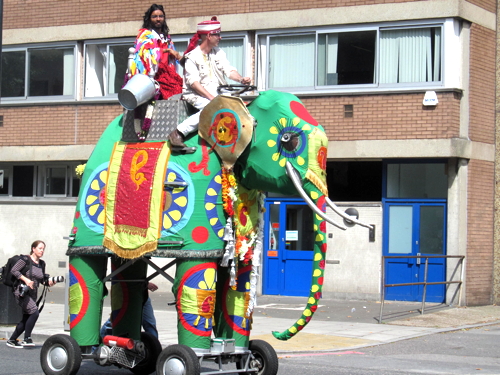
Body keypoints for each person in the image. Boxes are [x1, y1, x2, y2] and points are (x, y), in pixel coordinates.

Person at [168, 16, 251, 148]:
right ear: (208, 36)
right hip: (195, 94)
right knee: (212, 108)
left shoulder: (219, 53)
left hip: (217, 93)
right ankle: (178, 133)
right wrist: (212, 99)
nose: (220, 37)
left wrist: (241, 79)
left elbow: (229, 71)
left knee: (238, 104)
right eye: (217, 34)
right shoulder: (191, 57)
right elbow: (194, 84)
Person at [6, 240, 55, 348]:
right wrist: (26, 280)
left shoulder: (41, 263)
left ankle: (12, 339)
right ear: (33, 249)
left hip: (33, 293)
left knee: (26, 317)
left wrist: (50, 282)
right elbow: (14, 271)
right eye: (40, 248)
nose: (42, 251)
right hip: (21, 291)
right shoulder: (25, 260)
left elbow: (41, 280)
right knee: (34, 312)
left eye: (43, 249)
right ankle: (27, 338)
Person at [129, 4, 183, 100]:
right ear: (149, 19)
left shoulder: (166, 38)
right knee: (174, 90)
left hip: (167, 73)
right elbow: (145, 53)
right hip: (152, 75)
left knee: (184, 88)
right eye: (154, 16)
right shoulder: (145, 35)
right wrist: (167, 50)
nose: (158, 19)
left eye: (161, 16)